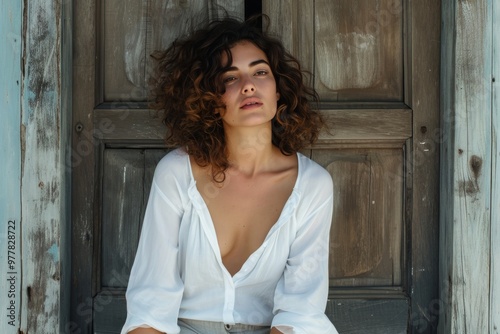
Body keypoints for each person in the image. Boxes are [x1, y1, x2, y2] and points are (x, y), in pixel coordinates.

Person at [121, 14, 338, 334]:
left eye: (260, 71)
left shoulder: (312, 185)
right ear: (208, 99)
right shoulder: (177, 173)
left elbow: (301, 311)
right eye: (230, 77)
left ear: (278, 90)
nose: (249, 84)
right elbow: (150, 305)